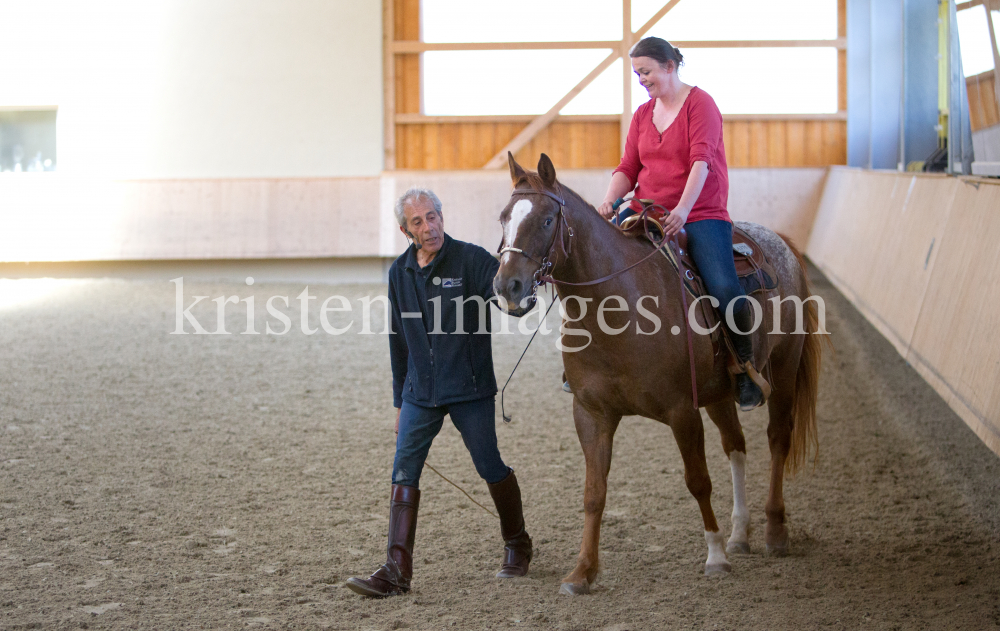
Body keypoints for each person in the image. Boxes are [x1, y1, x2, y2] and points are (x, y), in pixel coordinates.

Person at [345, 188, 532, 598]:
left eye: (433, 217)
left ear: (442, 216)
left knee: (490, 466)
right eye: (418, 222)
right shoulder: (399, 273)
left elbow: (507, 295)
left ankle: (517, 543)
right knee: (403, 471)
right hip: (418, 392)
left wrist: (520, 299)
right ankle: (396, 570)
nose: (429, 227)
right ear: (404, 230)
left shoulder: (472, 259)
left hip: (469, 388)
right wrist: (400, 402)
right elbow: (398, 341)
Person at [596, 36, 766, 411]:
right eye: (637, 73)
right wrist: (610, 198)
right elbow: (628, 167)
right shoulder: (642, 115)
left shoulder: (701, 105)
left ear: (670, 66)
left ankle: (743, 367)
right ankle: (598, 359)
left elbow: (701, 162)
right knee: (603, 267)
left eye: (646, 71)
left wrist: (684, 212)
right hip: (645, 209)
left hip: (700, 211)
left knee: (723, 286)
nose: (641, 79)